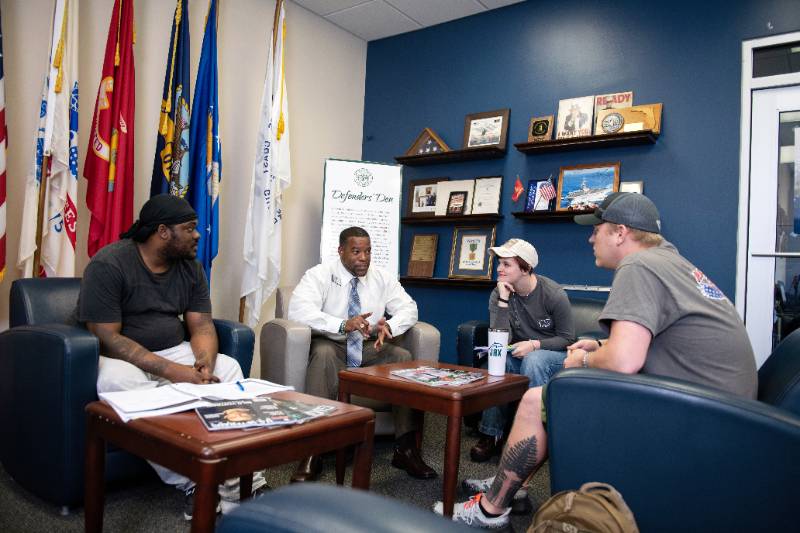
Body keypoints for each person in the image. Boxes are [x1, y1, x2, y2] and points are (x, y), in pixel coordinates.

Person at [438, 192, 758, 529]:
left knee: (538, 400)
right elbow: (659, 338)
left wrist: (583, 362)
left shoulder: (638, 265)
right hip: (725, 410)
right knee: (551, 393)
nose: (591, 238)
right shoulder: (669, 261)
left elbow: (623, 360)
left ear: (620, 232)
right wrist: (601, 344)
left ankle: (490, 511)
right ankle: (514, 487)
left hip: (705, 418)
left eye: (597, 229)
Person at [77, 194, 267, 521]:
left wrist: (204, 361)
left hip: (175, 349)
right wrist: (174, 371)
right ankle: (192, 482)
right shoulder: (110, 263)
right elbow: (106, 335)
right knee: (116, 380)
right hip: (121, 355)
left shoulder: (190, 268)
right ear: (163, 232)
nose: (198, 235)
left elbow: (202, 324)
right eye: (190, 228)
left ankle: (245, 483)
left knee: (229, 367)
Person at [287, 226, 436, 482]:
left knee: (402, 357)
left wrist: (390, 325)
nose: (363, 258)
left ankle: (405, 447)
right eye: (356, 251)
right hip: (332, 343)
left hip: (369, 347)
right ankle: (314, 451)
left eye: (367, 251)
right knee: (322, 354)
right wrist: (343, 325)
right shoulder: (319, 275)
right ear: (341, 251)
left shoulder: (382, 277)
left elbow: (409, 308)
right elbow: (299, 311)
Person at [470, 238, 575, 468]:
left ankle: (533, 439)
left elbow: (568, 339)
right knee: (497, 361)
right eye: (499, 263)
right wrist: (503, 301)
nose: (499, 268)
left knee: (534, 361)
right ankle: (491, 435)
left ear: (525, 268)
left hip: (552, 357)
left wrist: (535, 344)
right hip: (520, 354)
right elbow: (501, 340)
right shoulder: (499, 292)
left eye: (506, 264)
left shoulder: (553, 294)